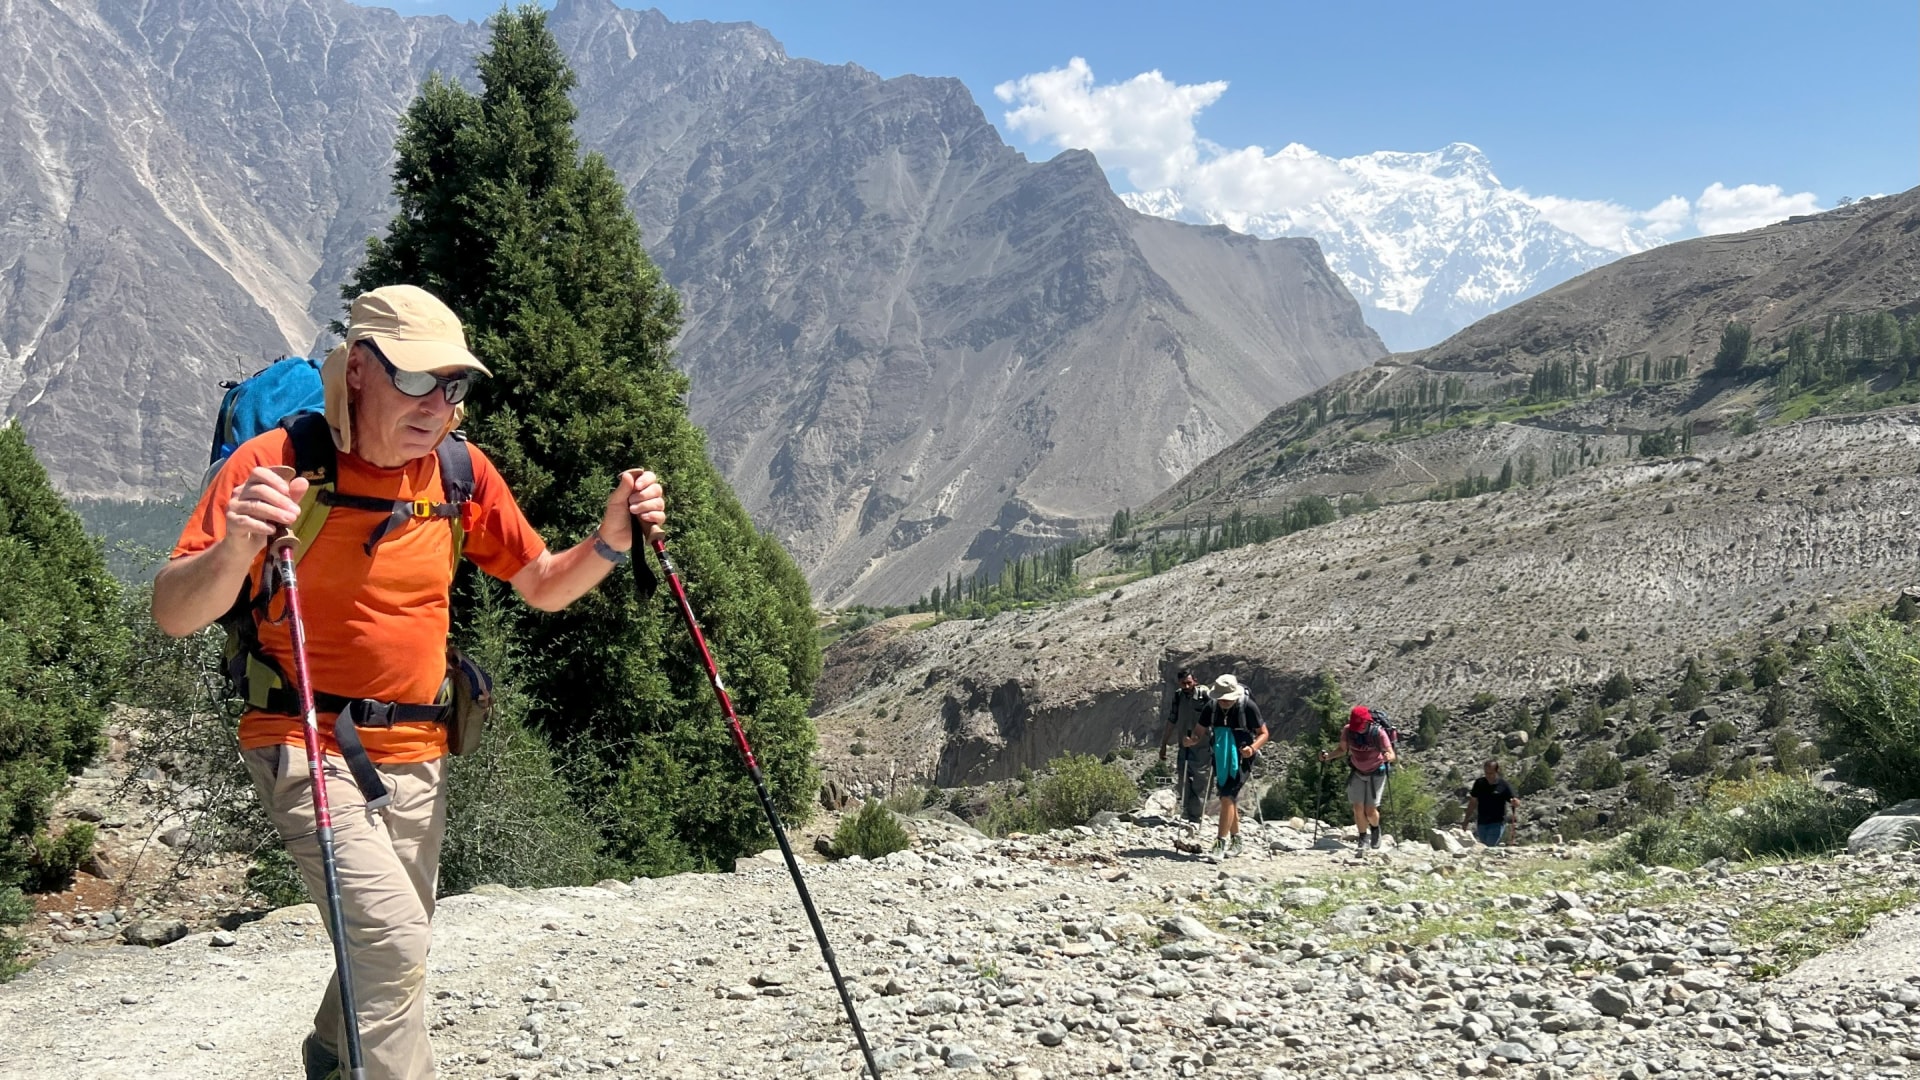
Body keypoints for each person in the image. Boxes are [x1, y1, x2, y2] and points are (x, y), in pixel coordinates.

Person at [152, 285, 667, 1080]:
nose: (438, 404)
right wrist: (237, 547)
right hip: (302, 741)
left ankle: (333, 1052)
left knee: (395, 938)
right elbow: (173, 613)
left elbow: (540, 582)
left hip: (419, 750)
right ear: (358, 369)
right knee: (392, 940)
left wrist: (610, 539)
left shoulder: (459, 472)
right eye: (418, 379)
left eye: (453, 384)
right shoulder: (274, 466)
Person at [1198, 673, 1268, 858]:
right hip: (1220, 756)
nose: (1223, 702)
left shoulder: (1248, 706)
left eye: (1227, 699)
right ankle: (1237, 841)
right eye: (1221, 698)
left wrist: (1252, 749)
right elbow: (1199, 729)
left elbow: (1263, 733)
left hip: (1242, 757)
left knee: (1227, 796)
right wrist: (1192, 740)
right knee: (1228, 798)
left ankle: (1219, 843)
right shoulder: (1211, 707)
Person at [1322, 705, 1395, 849]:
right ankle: (1363, 838)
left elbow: (1392, 754)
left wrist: (1388, 757)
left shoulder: (1378, 733)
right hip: (1357, 772)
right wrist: (1328, 756)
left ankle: (1375, 829)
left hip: (1376, 774)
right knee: (1357, 808)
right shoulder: (1348, 731)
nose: (1357, 729)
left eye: (1359, 726)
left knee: (1370, 811)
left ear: (1367, 722)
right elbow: (1342, 750)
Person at [1157, 669, 1212, 823]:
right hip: (1184, 745)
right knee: (1183, 779)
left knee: (1200, 781)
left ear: (1195, 681)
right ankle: (1187, 812)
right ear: (1179, 683)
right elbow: (1172, 720)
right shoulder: (1178, 696)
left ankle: (1196, 816)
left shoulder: (1205, 695)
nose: (1187, 686)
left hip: (1203, 747)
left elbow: (1215, 717)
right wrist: (1164, 744)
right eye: (1183, 683)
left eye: (1189, 683)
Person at [1464, 760, 1520, 847]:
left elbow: (1515, 801)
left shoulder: (1503, 784)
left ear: (1496, 771)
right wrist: (1466, 820)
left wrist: (1515, 802)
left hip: (1497, 822)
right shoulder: (1479, 783)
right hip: (1482, 822)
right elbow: (1473, 802)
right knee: (1484, 846)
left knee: (1489, 845)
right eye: (1486, 773)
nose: (1488, 776)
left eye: (1491, 773)